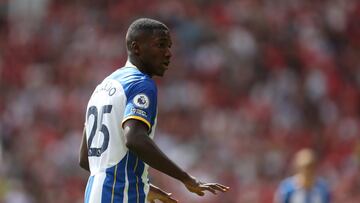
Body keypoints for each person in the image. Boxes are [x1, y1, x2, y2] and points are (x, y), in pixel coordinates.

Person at [79, 18, 229, 203]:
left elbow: (86, 159)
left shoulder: (103, 87)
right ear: (136, 48)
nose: (168, 53)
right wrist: (186, 178)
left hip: (96, 193)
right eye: (160, 45)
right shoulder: (140, 83)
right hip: (117, 195)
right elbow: (135, 138)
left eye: (169, 47)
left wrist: (143, 187)